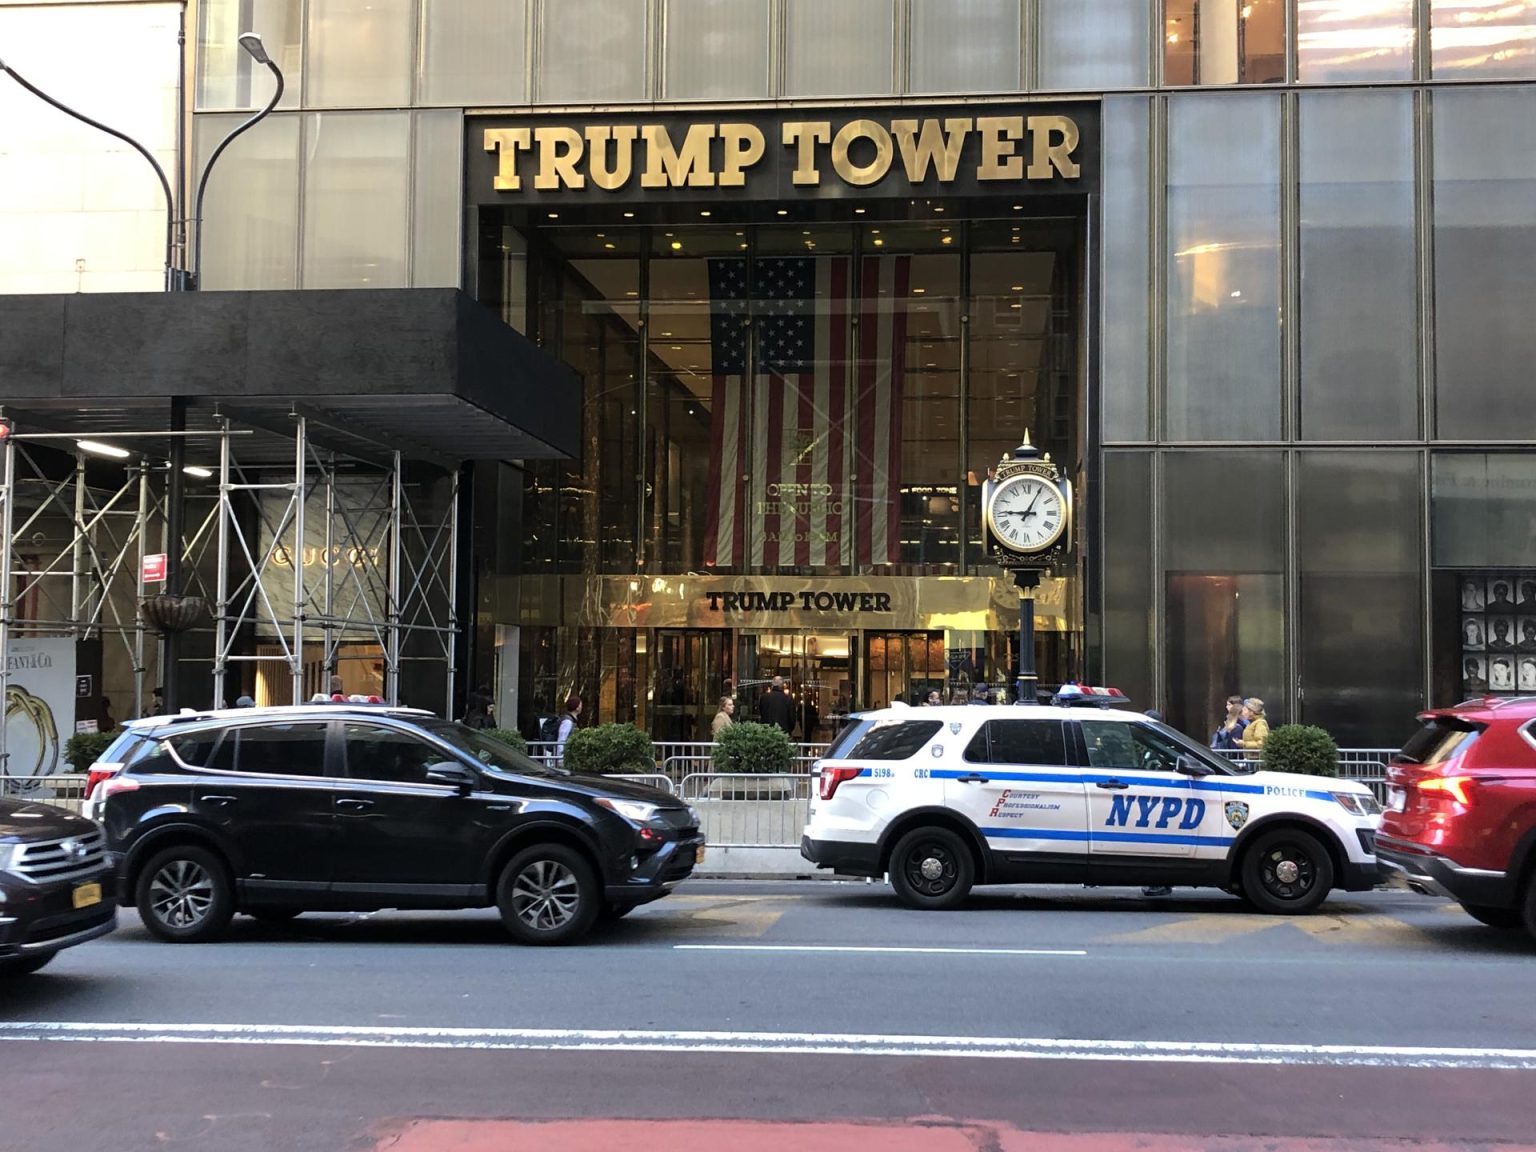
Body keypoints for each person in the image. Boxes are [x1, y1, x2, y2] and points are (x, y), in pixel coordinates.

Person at [555, 694, 581, 765]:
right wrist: (560, 758)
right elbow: (561, 739)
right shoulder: (567, 721)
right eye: (580, 705)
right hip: (565, 757)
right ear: (577, 707)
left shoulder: (571, 721)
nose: (581, 707)